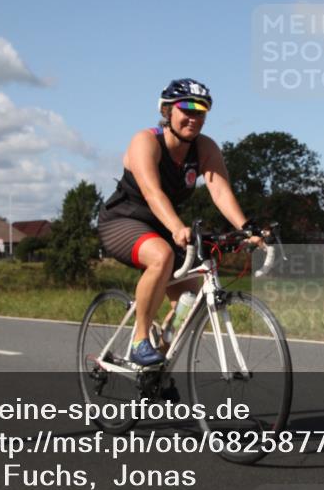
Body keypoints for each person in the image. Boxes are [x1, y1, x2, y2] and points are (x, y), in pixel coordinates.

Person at [98, 79, 261, 366]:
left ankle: (156, 369)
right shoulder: (146, 142)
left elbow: (220, 191)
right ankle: (139, 340)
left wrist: (246, 228)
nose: (193, 117)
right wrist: (176, 227)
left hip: (164, 226)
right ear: (166, 111)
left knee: (192, 298)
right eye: (186, 109)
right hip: (124, 220)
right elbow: (152, 192)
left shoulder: (205, 148)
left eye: (201, 111)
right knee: (161, 255)